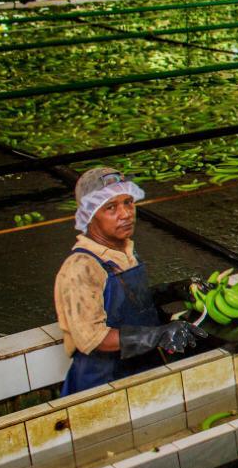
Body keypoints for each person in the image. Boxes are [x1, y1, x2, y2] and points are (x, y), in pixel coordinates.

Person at [54, 168, 206, 395]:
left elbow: (128, 303)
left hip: (142, 371)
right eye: (111, 207)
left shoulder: (124, 251)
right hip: (103, 384)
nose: (125, 214)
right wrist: (158, 335)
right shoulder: (81, 268)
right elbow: (95, 339)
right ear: (90, 214)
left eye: (128, 202)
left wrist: (173, 290)